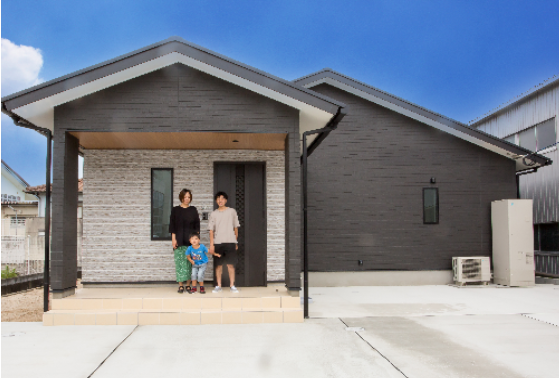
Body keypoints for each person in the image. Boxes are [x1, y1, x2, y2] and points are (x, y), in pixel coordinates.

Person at [169, 189, 200, 294]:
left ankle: (188, 285)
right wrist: (173, 239)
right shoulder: (175, 210)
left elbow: (197, 226)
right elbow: (172, 226)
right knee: (179, 263)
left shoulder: (193, 210)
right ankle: (181, 285)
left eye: (189, 197)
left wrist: (195, 240)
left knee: (189, 263)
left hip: (190, 241)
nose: (187, 199)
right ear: (181, 197)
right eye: (185, 197)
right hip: (179, 240)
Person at [208, 191, 241, 293]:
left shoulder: (232, 212)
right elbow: (211, 230)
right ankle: (218, 285)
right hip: (218, 243)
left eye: (222, 198)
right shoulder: (213, 214)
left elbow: (236, 227)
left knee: (230, 265)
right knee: (218, 265)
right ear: (216, 201)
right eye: (218, 198)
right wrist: (211, 244)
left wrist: (235, 242)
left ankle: (232, 285)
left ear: (226, 200)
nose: (220, 200)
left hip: (230, 242)